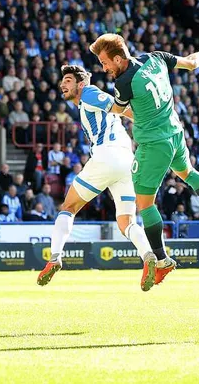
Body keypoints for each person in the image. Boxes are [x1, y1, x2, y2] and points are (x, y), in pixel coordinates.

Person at [89, 34, 199, 285]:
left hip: (153, 145)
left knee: (144, 204)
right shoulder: (155, 58)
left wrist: (95, 99)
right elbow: (192, 63)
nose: (104, 68)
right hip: (175, 134)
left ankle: (161, 259)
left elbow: (118, 109)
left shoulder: (124, 82)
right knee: (188, 173)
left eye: (105, 62)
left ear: (118, 58)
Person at [37, 65, 156, 291]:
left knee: (68, 207)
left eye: (69, 80)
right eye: (63, 80)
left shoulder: (89, 92)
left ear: (81, 84)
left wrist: (145, 120)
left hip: (107, 155)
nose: (63, 84)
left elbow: (121, 108)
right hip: (125, 161)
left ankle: (54, 256)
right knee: (126, 222)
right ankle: (148, 255)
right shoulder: (85, 104)